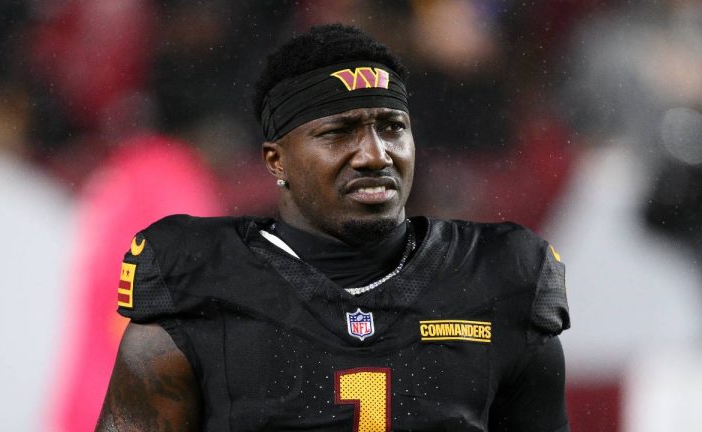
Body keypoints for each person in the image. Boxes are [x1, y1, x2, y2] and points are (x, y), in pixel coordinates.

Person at [96, 24, 570, 431]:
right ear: (276, 160)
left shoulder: (501, 277)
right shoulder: (196, 281)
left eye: (391, 127)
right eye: (339, 132)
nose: (375, 154)